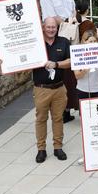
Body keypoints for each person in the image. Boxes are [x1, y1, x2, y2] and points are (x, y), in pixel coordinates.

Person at [33, 17, 72, 163]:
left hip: (59, 89)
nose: (51, 29)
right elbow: (21, 63)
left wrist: (56, 64)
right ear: (43, 27)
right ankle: (41, 149)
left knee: (58, 118)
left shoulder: (63, 42)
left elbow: (70, 61)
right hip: (41, 89)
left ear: (57, 28)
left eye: (53, 27)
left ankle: (58, 147)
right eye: (48, 27)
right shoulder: (35, 44)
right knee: (41, 119)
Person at [74, 26, 98, 165]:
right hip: (83, 91)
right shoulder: (78, 55)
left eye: (94, 41)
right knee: (86, 124)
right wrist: (85, 67)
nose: (92, 44)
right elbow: (77, 76)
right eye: (89, 41)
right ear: (84, 42)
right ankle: (87, 154)